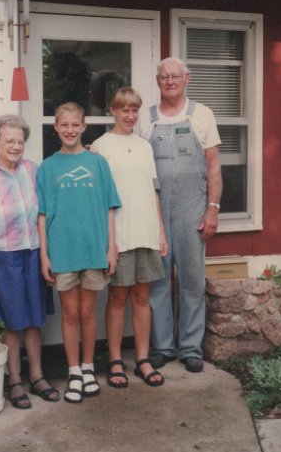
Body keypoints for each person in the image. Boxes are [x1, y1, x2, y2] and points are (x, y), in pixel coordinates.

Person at [0, 114, 60, 409]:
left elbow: (53, 189)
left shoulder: (32, 170)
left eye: (20, 141)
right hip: (2, 257)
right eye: (10, 141)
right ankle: (15, 380)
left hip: (32, 253)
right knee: (12, 320)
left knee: (34, 318)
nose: (16, 146)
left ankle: (37, 376)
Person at [138, 57, 222, 373]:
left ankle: (190, 348)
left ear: (187, 79)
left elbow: (213, 165)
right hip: (156, 210)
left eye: (176, 76)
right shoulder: (146, 119)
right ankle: (162, 347)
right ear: (158, 81)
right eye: (164, 77)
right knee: (158, 279)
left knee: (190, 278)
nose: (170, 81)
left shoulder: (202, 115)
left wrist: (212, 208)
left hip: (192, 208)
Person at [37, 102, 120, 404]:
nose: (70, 130)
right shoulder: (47, 167)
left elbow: (110, 208)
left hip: (93, 249)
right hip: (63, 251)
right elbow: (43, 215)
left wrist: (111, 247)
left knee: (88, 313)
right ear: (56, 128)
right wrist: (45, 255)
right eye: (64, 125)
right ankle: (73, 371)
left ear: (84, 127)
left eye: (76, 125)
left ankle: (88, 368)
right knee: (70, 314)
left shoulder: (98, 163)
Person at [92, 87, 167, 388]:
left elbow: (154, 189)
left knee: (142, 297)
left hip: (146, 231)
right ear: (113, 110)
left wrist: (160, 231)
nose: (130, 116)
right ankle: (114, 360)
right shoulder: (100, 146)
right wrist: (106, 241)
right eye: (124, 110)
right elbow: (99, 198)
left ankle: (143, 359)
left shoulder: (145, 146)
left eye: (134, 110)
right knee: (118, 298)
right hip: (119, 234)